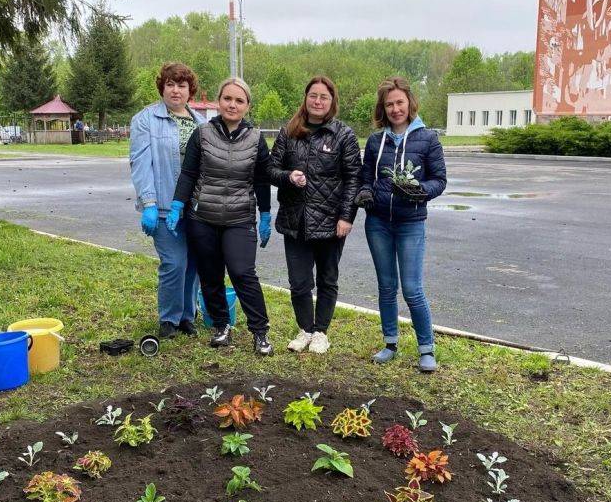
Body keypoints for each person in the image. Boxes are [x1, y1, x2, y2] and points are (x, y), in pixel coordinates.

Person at [168, 77, 274, 355]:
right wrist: (179, 204)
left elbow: (262, 180)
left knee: (242, 272)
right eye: (227, 98)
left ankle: (260, 332)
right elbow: (189, 173)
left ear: (247, 106)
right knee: (211, 275)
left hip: (239, 218)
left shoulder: (255, 138)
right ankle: (221, 326)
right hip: (202, 217)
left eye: (239, 100)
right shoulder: (202, 134)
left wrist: (265, 214)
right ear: (219, 101)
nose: (232, 104)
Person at [357, 77, 446, 372]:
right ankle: (390, 343)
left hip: (411, 223)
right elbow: (365, 176)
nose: (395, 109)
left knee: (411, 288)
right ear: (383, 108)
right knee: (386, 286)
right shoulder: (374, 141)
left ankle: (426, 348)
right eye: (389, 104)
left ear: (410, 103)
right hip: (378, 223)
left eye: (400, 102)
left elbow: (439, 180)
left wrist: (422, 191)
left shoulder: (428, 138)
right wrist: (366, 192)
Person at [268, 75, 361, 354]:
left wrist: (347, 216)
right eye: (313, 96)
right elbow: (271, 170)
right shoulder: (289, 132)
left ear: (332, 101)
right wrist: (287, 176)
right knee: (298, 282)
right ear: (305, 99)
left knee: (327, 279)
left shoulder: (343, 134)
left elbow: (354, 178)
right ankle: (305, 330)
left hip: (332, 223)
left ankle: (321, 332)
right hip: (295, 221)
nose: (318, 101)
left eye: (324, 96)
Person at [129, 62, 207, 339]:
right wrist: (148, 203)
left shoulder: (202, 123)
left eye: (182, 85)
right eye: (170, 84)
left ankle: (188, 316)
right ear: (162, 87)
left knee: (194, 264)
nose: (176, 90)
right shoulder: (145, 120)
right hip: (162, 206)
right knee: (174, 262)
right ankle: (168, 319)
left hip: (196, 208)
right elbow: (140, 164)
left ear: (190, 91)